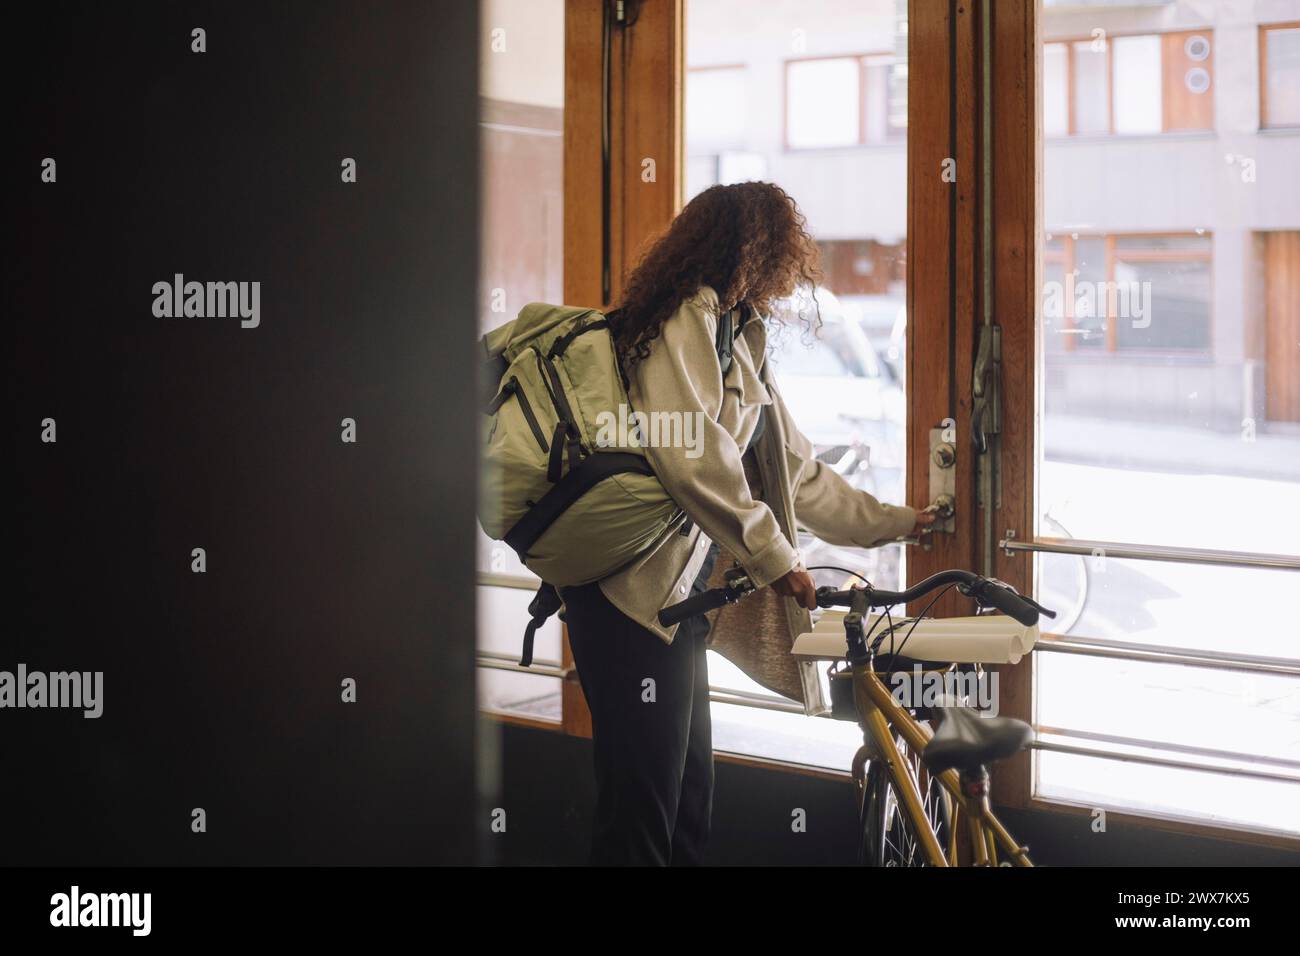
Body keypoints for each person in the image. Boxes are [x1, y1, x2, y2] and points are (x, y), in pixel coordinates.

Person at [557, 181, 935, 866]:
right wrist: (776, 557)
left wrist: (902, 523)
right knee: (642, 812)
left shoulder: (741, 334)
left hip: (674, 606)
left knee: (687, 803)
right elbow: (690, 452)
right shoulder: (683, 317)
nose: (791, 268)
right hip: (623, 600)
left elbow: (795, 473)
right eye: (783, 249)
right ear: (754, 250)